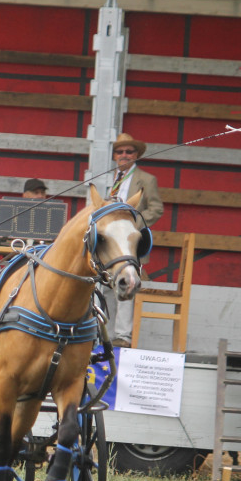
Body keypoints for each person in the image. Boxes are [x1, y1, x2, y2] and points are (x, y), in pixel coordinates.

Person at [103, 132, 164, 348]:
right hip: (108, 243)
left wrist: (133, 225)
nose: (124, 155)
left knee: (127, 282)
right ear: (114, 155)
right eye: (120, 151)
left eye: (129, 151)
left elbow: (157, 209)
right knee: (105, 285)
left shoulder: (147, 180)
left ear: (136, 155)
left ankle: (122, 336)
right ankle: (105, 334)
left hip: (130, 242)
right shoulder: (106, 178)